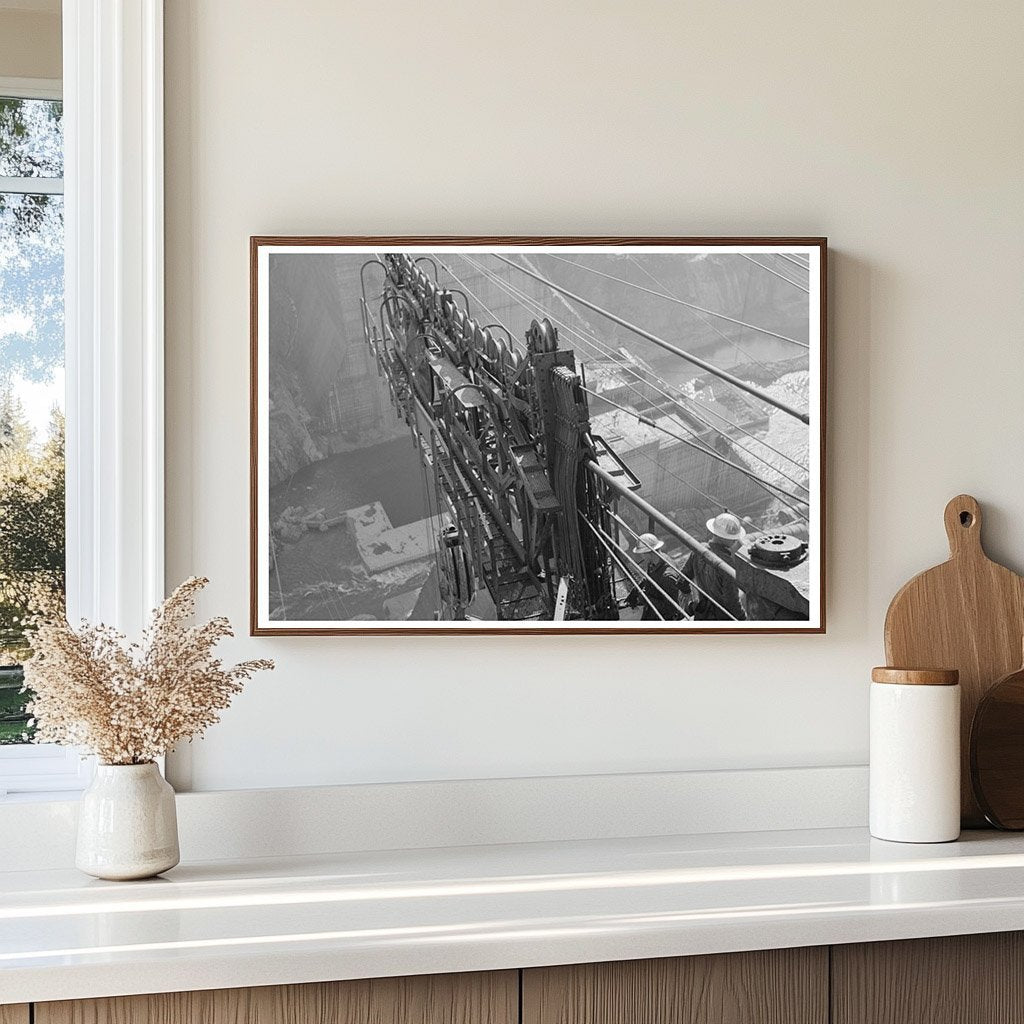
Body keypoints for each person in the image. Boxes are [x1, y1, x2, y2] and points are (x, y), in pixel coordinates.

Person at [680, 511, 746, 621]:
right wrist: (743, 619)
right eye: (733, 537)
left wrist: (691, 600)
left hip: (702, 614)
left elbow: (683, 579)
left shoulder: (699, 549)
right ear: (724, 538)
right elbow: (731, 602)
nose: (735, 540)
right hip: (721, 619)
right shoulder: (727, 564)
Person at [625, 532, 687, 620]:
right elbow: (649, 578)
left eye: (642, 553)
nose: (641, 556)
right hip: (654, 605)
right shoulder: (654, 562)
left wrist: (646, 598)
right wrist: (634, 593)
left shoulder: (667, 576)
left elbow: (671, 609)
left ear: (649, 553)